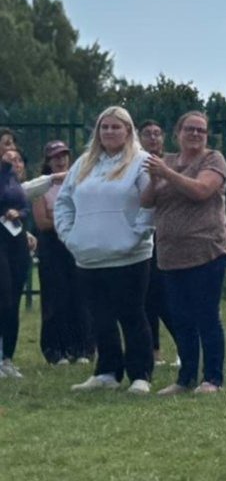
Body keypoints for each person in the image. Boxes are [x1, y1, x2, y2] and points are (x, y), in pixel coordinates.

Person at [54, 106, 156, 393]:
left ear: (128, 130)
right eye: (104, 127)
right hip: (88, 256)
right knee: (100, 316)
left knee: (132, 315)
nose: (109, 132)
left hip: (129, 256)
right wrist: (69, 236)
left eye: (116, 127)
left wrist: (138, 234)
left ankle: (140, 374)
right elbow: (64, 201)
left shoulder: (141, 162)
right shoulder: (83, 163)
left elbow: (150, 202)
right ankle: (107, 372)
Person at [143, 111, 226, 394]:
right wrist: (153, 179)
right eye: (190, 129)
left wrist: (166, 174)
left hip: (207, 250)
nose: (195, 134)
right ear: (177, 133)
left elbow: (202, 190)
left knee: (206, 315)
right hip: (170, 254)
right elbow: (146, 201)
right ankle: (186, 378)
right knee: (181, 318)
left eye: (201, 130)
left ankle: (213, 378)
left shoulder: (213, 160)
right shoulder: (165, 162)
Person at [31, 140, 94, 365]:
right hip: (53, 246)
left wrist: (59, 218)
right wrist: (67, 220)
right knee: (56, 297)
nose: (61, 160)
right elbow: (42, 222)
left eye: (64, 156)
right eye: (55, 157)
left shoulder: (80, 181)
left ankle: (83, 348)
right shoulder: (42, 187)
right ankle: (56, 348)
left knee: (80, 296)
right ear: (48, 161)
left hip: (76, 243)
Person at [138, 119, 177, 366]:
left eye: (157, 133)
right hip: (142, 233)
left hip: (167, 232)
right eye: (147, 134)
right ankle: (153, 350)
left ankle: (185, 344)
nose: (153, 138)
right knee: (147, 295)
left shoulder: (172, 163)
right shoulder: (134, 165)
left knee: (165, 295)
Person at [0, 146, 34, 378]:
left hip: (17, 242)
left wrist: (19, 214)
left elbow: (25, 208)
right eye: (9, 157)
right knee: (3, 298)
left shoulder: (17, 184)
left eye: (18, 159)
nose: (14, 161)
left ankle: (8, 358)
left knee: (13, 301)